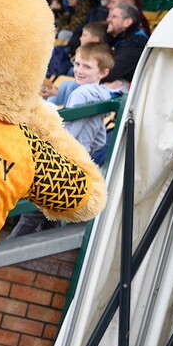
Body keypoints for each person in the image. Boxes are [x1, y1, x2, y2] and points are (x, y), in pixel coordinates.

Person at [11, 42, 114, 237]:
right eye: (77, 64)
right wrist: (86, 149)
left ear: (103, 72)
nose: (79, 70)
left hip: (62, 161)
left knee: (31, 215)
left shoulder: (81, 93)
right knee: (52, 220)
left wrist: (50, 111)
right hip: (78, 164)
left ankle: (6, 249)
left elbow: (68, 131)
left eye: (87, 67)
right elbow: (100, 139)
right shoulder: (103, 97)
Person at [103, 3, 148, 90]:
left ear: (127, 22)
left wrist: (92, 76)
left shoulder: (136, 43)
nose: (108, 20)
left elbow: (113, 72)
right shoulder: (118, 38)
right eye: (109, 16)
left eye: (113, 16)